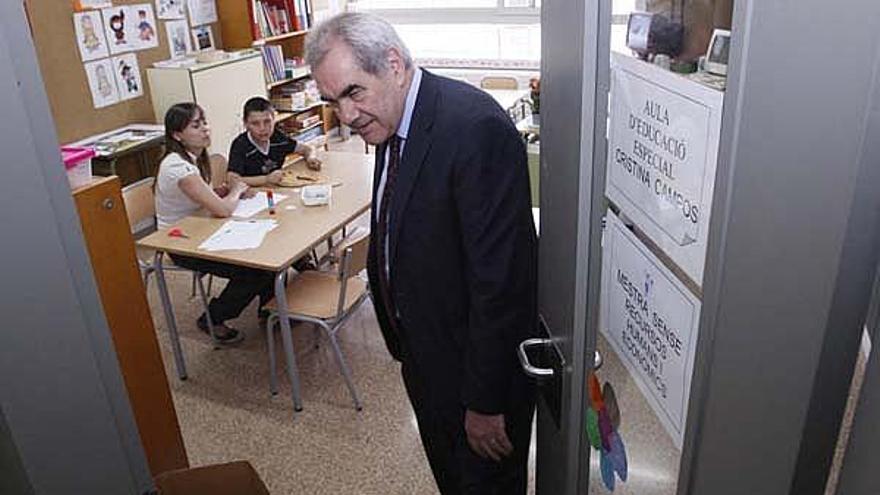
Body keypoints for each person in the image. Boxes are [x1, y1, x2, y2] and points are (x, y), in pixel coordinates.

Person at [307, 13, 538, 495]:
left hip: (476, 381)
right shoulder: (388, 120)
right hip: (425, 358)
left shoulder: (474, 128)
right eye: (333, 101)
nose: (345, 117)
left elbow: (502, 283)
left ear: (394, 64)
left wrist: (485, 402)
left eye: (352, 93)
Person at [155, 102, 274, 344]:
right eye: (196, 126)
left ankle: (268, 309)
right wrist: (237, 190)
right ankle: (213, 317)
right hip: (181, 240)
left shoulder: (194, 157)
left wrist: (221, 192)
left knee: (267, 249)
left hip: (201, 226)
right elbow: (222, 211)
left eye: (205, 123)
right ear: (177, 134)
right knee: (254, 269)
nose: (205, 130)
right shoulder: (177, 166)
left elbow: (204, 200)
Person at [227, 96, 322, 187]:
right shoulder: (240, 145)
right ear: (246, 124)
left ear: (274, 119)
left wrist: (311, 158)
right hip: (252, 194)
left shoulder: (278, 137)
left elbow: (307, 148)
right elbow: (232, 180)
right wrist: (266, 179)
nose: (262, 128)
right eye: (255, 123)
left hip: (277, 190)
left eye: (267, 121)